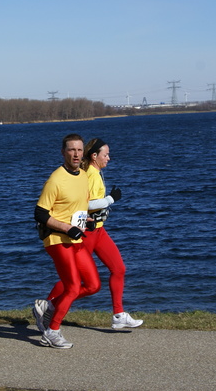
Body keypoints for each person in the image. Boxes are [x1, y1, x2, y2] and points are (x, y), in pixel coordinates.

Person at [43, 138, 143, 330]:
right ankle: (48, 306)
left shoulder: (96, 172)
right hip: (87, 232)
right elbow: (86, 203)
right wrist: (110, 200)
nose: (109, 158)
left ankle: (118, 314)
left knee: (119, 268)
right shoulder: (89, 174)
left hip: (99, 230)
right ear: (94, 156)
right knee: (74, 279)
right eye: (106, 155)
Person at [32, 133, 100, 349]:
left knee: (92, 285)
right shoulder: (55, 179)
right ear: (63, 153)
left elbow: (75, 209)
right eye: (71, 150)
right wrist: (66, 228)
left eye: (79, 150)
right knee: (71, 287)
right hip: (56, 238)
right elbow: (40, 214)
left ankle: (49, 306)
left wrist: (86, 221)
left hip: (75, 238)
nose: (76, 154)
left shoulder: (82, 176)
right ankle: (51, 332)